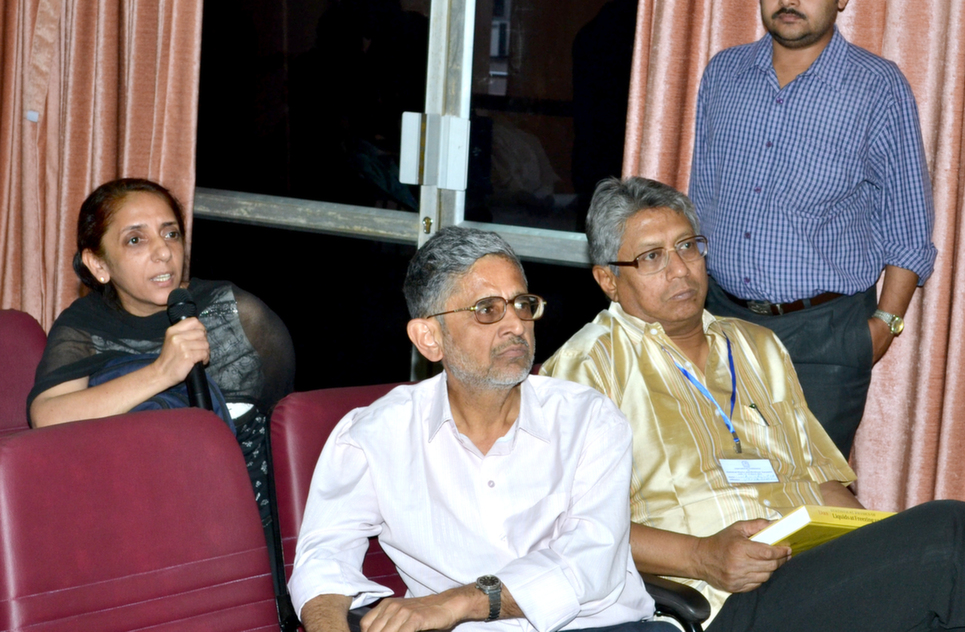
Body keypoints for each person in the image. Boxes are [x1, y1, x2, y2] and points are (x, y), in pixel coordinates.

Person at [542, 176, 965, 632]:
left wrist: (887, 544)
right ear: (608, 279)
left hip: (813, 572)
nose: (680, 270)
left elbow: (823, 482)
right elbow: (571, 528)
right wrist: (702, 557)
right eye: (652, 257)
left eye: (688, 246)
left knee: (951, 592)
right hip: (723, 598)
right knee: (953, 533)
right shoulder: (587, 367)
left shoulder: (757, 346)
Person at [288, 226, 662, 632]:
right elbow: (323, 561)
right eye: (487, 310)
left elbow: (592, 560)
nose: (516, 325)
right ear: (429, 338)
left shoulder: (589, 420)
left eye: (522, 304)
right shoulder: (376, 435)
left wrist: (459, 602)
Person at [688, 0, 937, 457]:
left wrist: (881, 328)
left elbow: (910, 229)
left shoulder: (877, 88)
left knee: (809, 497)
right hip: (720, 323)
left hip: (824, 338)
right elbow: (700, 199)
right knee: (720, 482)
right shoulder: (724, 74)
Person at [28, 178, 295, 522]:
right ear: (99, 265)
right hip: (131, 508)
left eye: (171, 234)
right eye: (135, 240)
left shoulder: (235, 314)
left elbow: (282, 421)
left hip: (243, 508)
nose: (164, 252)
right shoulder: (86, 324)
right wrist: (161, 372)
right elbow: (47, 417)